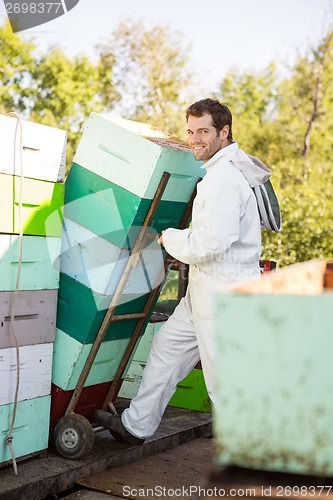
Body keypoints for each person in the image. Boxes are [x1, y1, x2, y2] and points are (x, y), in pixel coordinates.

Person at [95, 98, 266, 444]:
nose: (194, 139)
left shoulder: (224, 180)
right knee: (167, 348)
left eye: (203, 131)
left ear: (224, 131)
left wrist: (167, 237)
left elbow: (209, 243)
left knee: (226, 381)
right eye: (190, 131)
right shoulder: (221, 172)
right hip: (206, 290)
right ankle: (136, 425)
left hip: (224, 293)